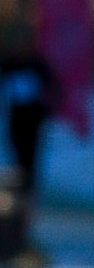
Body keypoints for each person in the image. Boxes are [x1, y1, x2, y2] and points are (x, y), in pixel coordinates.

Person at [1, 32, 53, 223]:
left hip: (33, 122)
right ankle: (18, 193)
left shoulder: (38, 66)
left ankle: (29, 195)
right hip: (15, 121)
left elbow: (51, 89)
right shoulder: (10, 64)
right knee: (16, 158)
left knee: (30, 158)